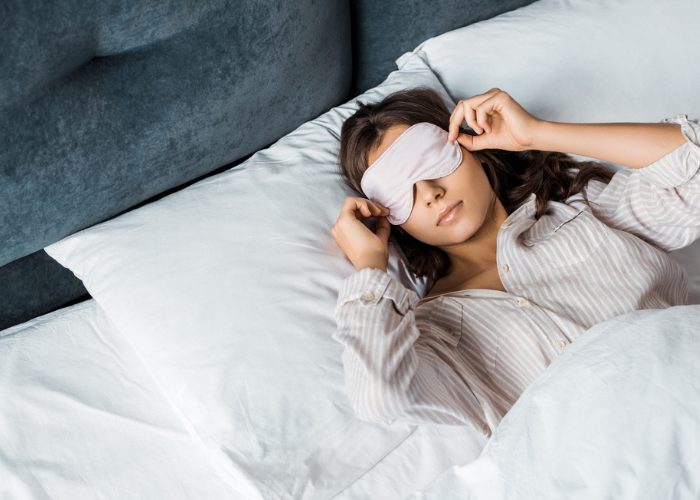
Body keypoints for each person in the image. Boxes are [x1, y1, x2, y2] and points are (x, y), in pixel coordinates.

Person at [330, 87, 699, 437]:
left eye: (429, 161)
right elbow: (378, 396)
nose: (429, 194)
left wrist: (536, 133)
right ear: (386, 217)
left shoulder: (590, 211)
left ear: (470, 144)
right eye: (397, 193)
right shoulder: (431, 333)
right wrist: (369, 263)